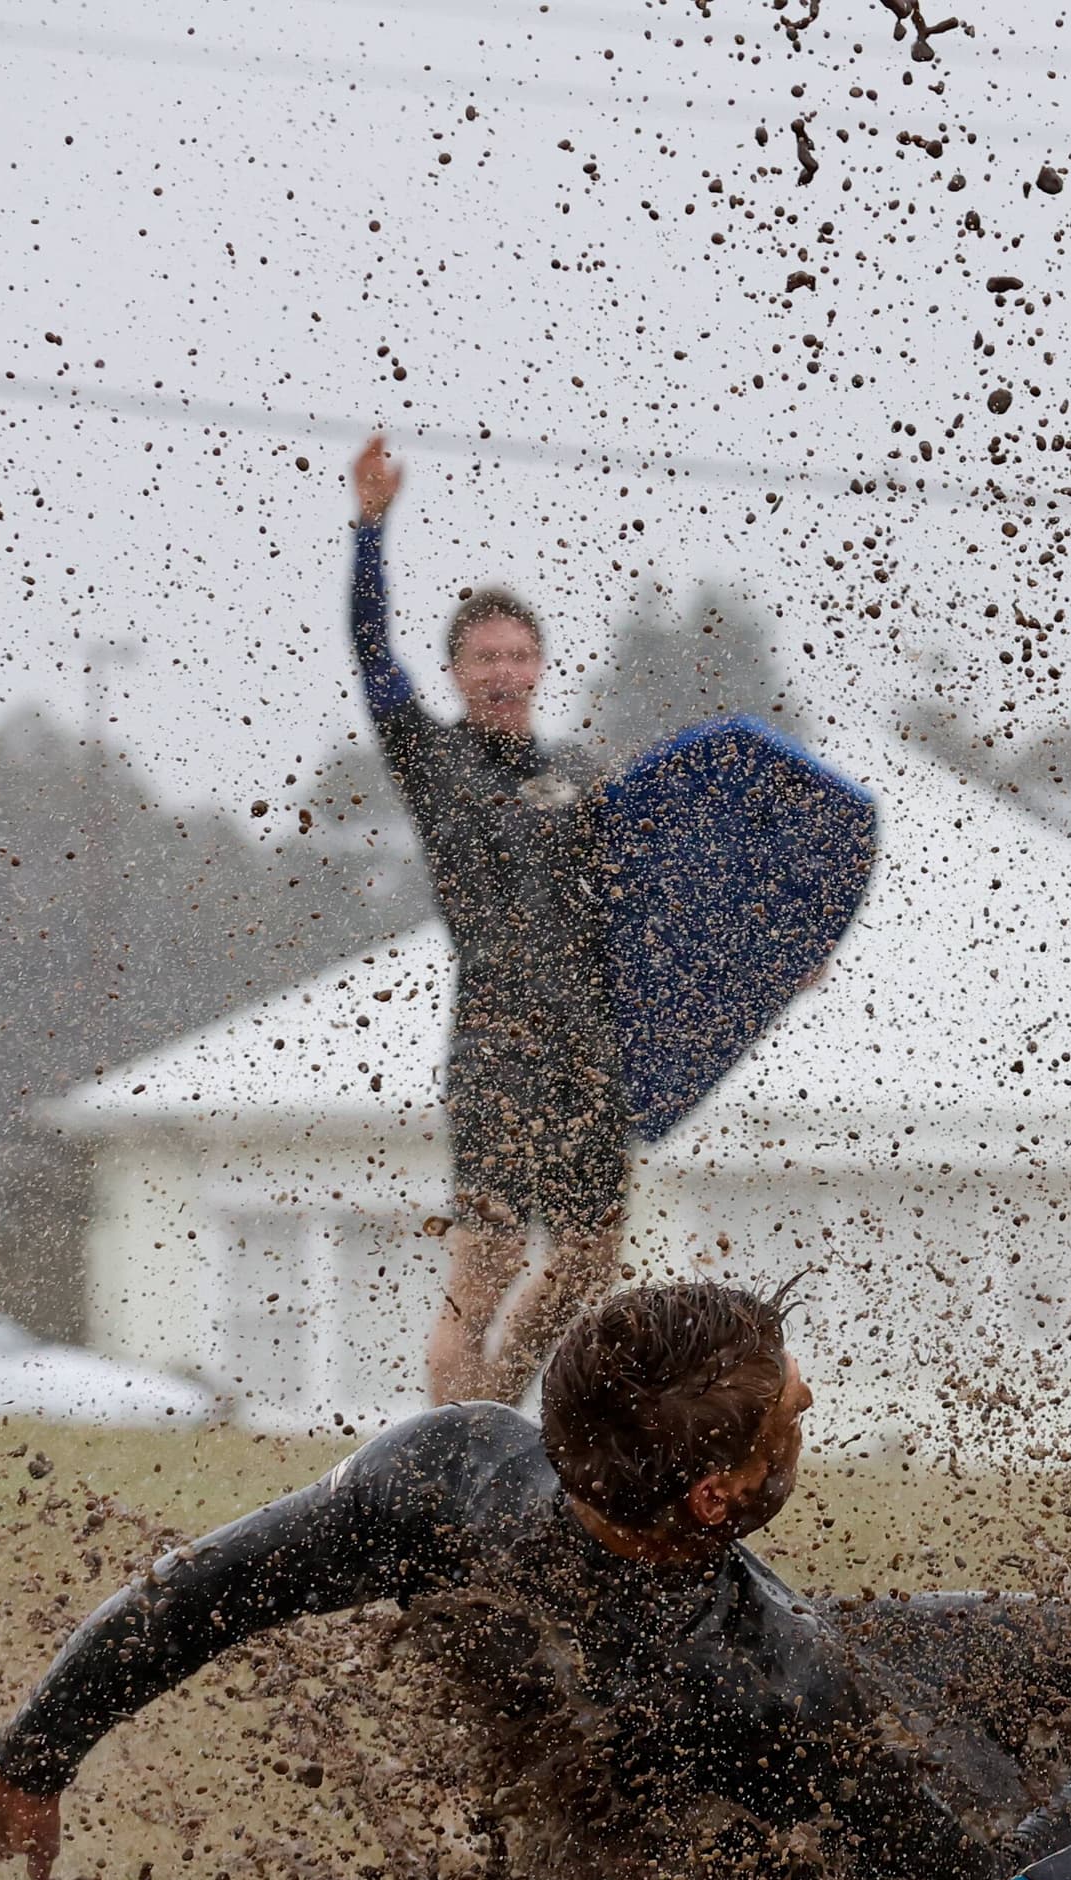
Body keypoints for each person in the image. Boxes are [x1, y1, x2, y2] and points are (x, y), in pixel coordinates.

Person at [0, 1283, 1071, 1880]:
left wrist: (29, 1761)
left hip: (821, 1639)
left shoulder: (450, 1463)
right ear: (715, 1498)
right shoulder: (747, 1698)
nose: (811, 1417)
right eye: (795, 1417)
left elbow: (188, 1599)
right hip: (831, 1727)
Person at [349, 432, 635, 1406]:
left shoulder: (587, 779)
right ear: (461, 672)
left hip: (587, 1053)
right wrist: (371, 531)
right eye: (486, 657)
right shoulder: (436, 762)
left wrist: (772, 952)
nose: (505, 671)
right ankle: (451, 1465)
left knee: (590, 1262)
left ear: (543, 666)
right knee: (489, 1265)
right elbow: (373, 658)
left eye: (519, 655)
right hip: (496, 1051)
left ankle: (497, 1430)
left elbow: (656, 899)